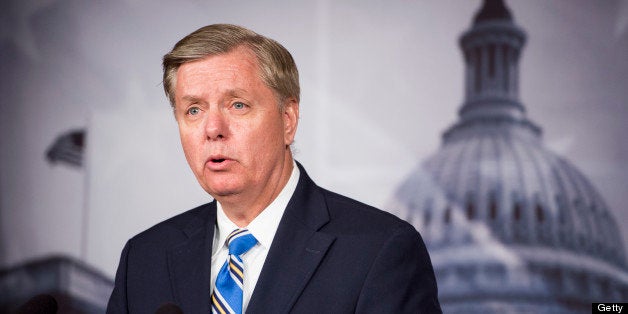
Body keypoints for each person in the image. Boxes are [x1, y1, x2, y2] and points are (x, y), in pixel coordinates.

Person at [107, 24, 441, 314]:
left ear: (288, 120)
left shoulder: (379, 251)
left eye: (237, 105)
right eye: (193, 110)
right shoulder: (144, 258)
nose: (213, 129)